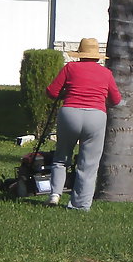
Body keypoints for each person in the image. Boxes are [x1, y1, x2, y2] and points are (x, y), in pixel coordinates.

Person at [45, 38, 121, 210]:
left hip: (70, 113)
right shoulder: (106, 73)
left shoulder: (70, 68)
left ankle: (55, 195)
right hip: (96, 116)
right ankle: (79, 205)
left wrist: (67, 94)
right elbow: (116, 100)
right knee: (88, 164)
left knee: (61, 157)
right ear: (97, 56)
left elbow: (52, 92)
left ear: (80, 54)